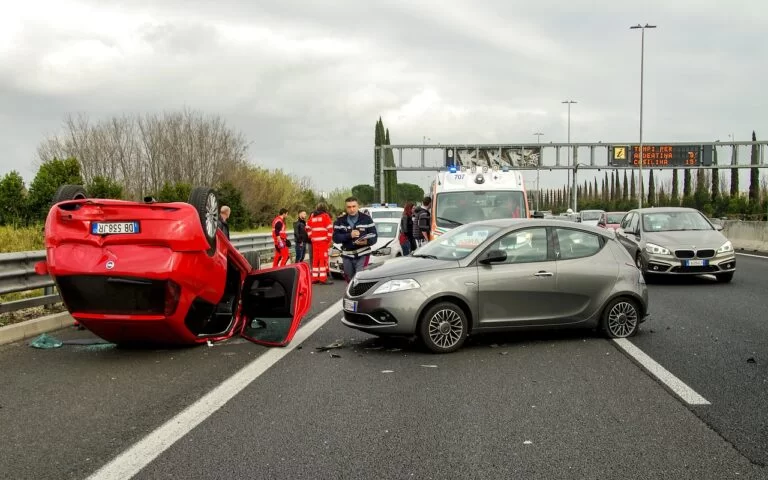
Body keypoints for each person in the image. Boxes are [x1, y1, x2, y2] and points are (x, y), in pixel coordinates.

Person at [333, 196, 377, 283]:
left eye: (354, 206)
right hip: (347, 255)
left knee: (360, 278)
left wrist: (366, 241)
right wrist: (350, 235)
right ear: (346, 208)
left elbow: (374, 236)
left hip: (363, 254)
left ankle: (360, 296)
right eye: (349, 207)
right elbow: (335, 238)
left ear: (358, 206)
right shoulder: (340, 220)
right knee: (349, 280)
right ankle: (351, 295)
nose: (352, 209)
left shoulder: (367, 219)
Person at [306, 202, 334, 284]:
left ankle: (314, 278)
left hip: (315, 242)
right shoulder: (325, 216)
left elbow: (307, 227)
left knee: (315, 260)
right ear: (325, 208)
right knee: (323, 259)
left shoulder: (312, 216)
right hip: (323, 242)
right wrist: (328, 239)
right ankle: (323, 278)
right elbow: (330, 228)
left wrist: (311, 237)